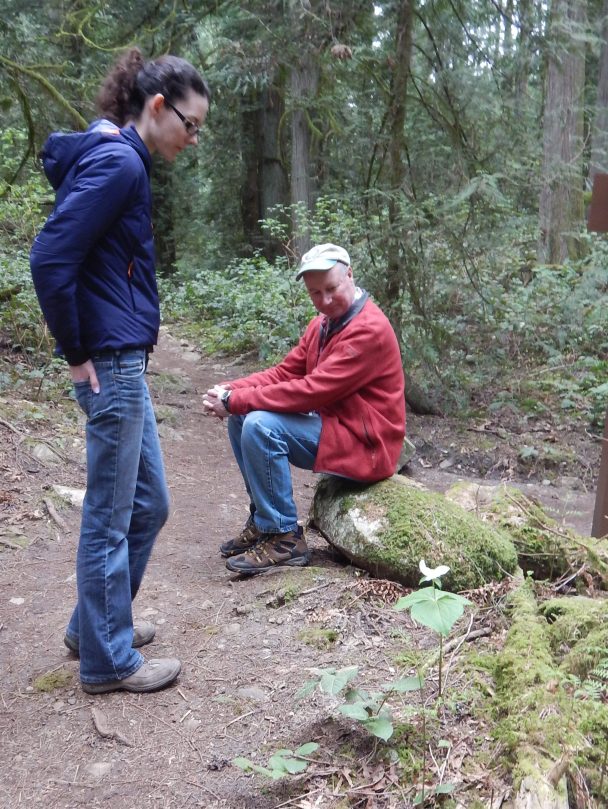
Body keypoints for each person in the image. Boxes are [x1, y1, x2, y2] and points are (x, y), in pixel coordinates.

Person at [30, 48, 210, 694]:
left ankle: (94, 626)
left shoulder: (121, 158)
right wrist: (76, 353)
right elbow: (50, 258)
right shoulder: (116, 162)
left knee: (149, 502)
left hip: (122, 360)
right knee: (110, 512)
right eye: (190, 124)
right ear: (157, 107)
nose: (193, 138)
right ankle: (107, 661)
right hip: (109, 364)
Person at [203, 243, 406, 575]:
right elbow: (285, 373)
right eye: (315, 292)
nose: (324, 300)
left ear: (350, 276)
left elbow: (310, 392)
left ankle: (284, 538)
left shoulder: (368, 330)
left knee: (260, 425)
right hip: (338, 427)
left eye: (331, 289)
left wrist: (236, 400)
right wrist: (231, 390)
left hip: (367, 446)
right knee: (243, 418)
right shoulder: (323, 325)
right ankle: (265, 521)